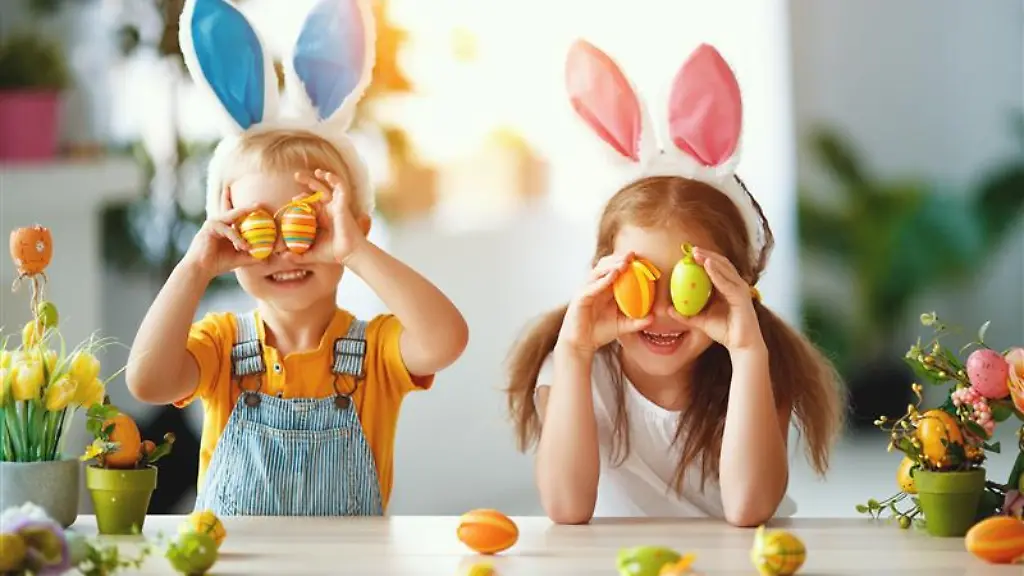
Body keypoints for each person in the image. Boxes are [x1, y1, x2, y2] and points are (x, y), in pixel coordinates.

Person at [126, 0, 468, 516]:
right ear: (227, 237)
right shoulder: (220, 347)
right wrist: (193, 267)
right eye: (261, 228)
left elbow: (447, 340)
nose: (285, 250)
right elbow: (146, 381)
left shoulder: (375, 351)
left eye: (306, 225)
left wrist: (357, 251)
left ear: (353, 230)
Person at [506, 40, 844, 527]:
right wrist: (575, 356)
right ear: (601, 278)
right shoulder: (574, 365)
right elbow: (565, 507)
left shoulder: (753, 362)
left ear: (736, 286)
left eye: (690, 285)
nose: (662, 310)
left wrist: (749, 356)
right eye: (639, 282)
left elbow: (749, 509)